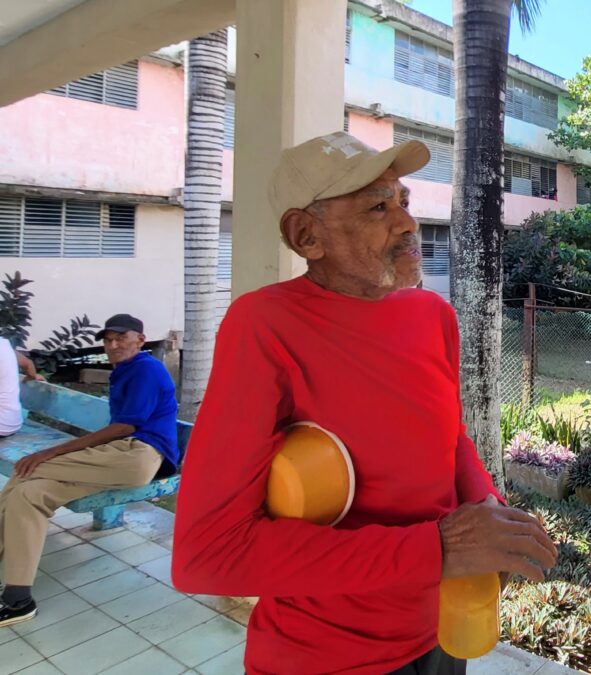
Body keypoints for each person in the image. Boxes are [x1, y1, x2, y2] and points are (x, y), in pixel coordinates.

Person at [171, 132, 557, 675]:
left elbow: (447, 438)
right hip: (327, 656)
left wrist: (488, 509)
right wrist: (437, 549)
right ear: (307, 236)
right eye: (378, 206)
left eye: (403, 202)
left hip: (442, 633)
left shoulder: (431, 315)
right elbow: (208, 554)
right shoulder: (265, 325)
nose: (407, 224)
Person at [0, 313, 179, 628]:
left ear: (140, 339)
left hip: (138, 457)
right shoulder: (123, 371)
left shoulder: (146, 368)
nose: (112, 345)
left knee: (29, 466)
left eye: (120, 338)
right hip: (118, 457)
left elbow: (126, 426)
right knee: (30, 492)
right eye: (108, 340)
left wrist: (51, 452)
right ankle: (18, 599)